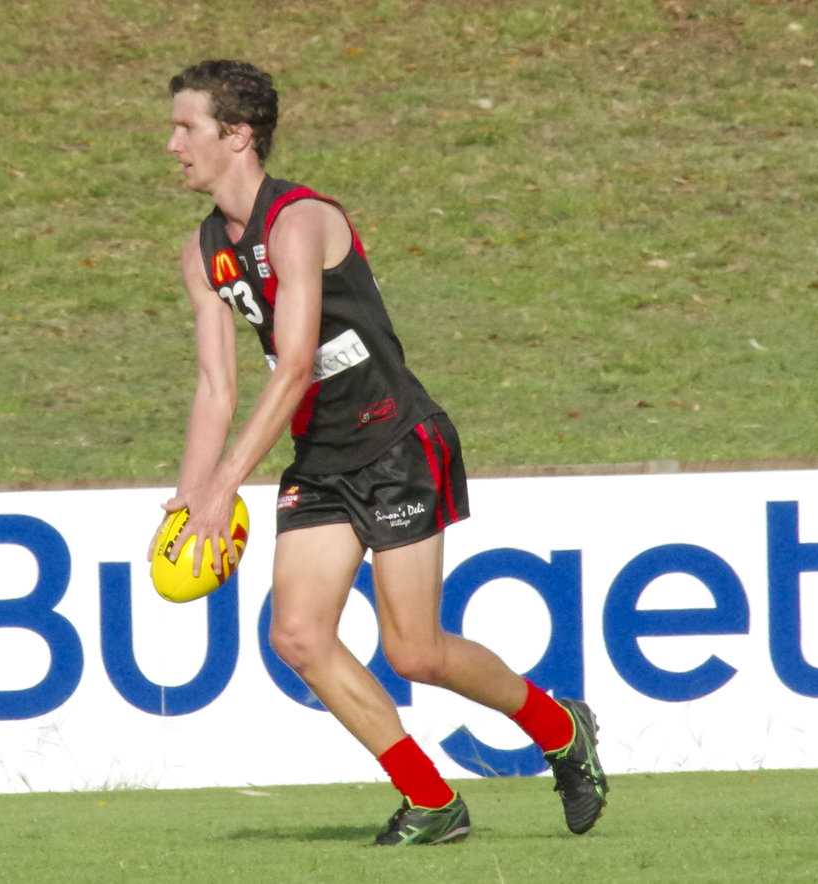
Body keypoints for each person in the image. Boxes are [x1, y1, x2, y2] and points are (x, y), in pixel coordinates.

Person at [152, 59, 608, 845]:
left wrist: (228, 484)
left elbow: (295, 365)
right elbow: (215, 387)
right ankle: (431, 801)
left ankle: (561, 729)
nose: (172, 144)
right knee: (297, 636)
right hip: (323, 459)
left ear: (239, 135)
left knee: (416, 651)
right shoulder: (201, 253)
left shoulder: (299, 221)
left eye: (187, 127)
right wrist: (195, 496)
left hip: (398, 442)